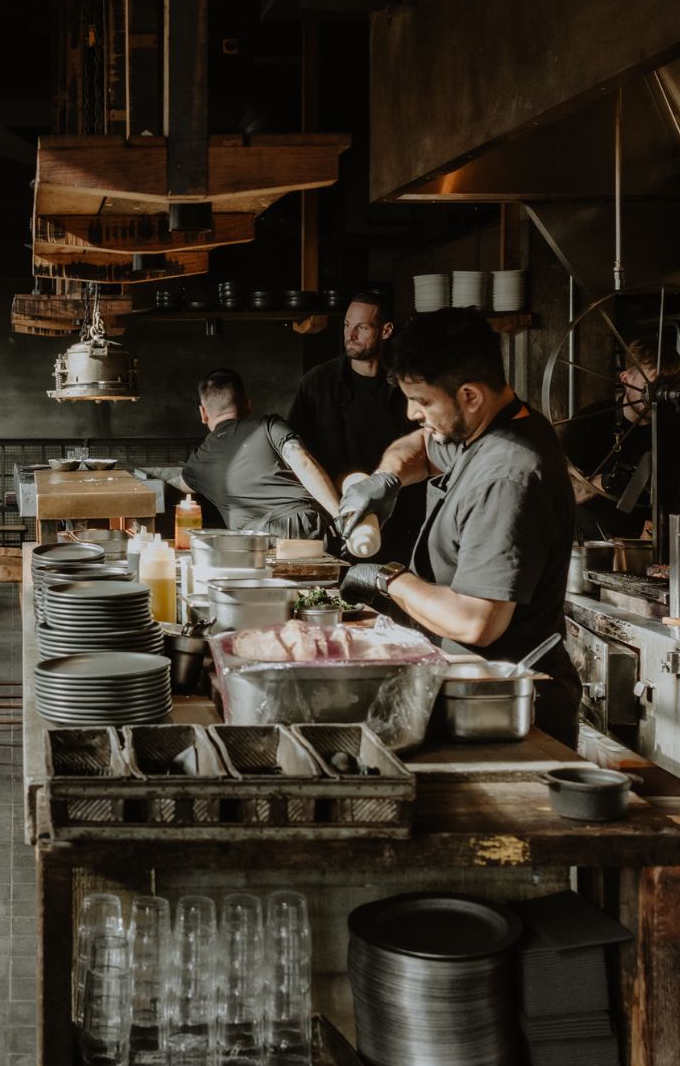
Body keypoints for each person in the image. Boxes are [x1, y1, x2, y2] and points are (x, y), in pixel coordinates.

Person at [334, 308, 582, 745]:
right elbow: (422, 447)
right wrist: (386, 477)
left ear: (469, 395)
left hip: (510, 711)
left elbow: (475, 621)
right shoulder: (485, 429)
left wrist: (388, 579)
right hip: (472, 695)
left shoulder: (507, 476)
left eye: (423, 401)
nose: (413, 413)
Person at [287, 290, 426, 563]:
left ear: (385, 331)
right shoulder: (317, 384)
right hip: (340, 524)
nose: (350, 336)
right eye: (347, 325)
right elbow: (295, 457)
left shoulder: (408, 384)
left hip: (403, 525)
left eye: (361, 327)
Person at [176, 368, 343, 541]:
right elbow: (303, 462)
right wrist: (340, 516)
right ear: (248, 405)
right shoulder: (270, 426)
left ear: (203, 413)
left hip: (255, 543)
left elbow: (180, 485)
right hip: (307, 526)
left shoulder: (198, 462)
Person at [560, 339, 657, 541]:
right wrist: (604, 482)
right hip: (596, 542)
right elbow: (560, 493)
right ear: (626, 379)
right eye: (652, 386)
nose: (658, 397)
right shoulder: (590, 422)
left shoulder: (675, 427)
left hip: (655, 540)